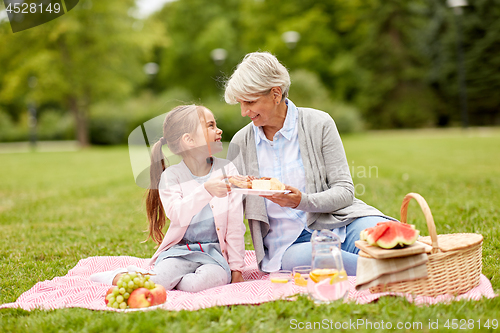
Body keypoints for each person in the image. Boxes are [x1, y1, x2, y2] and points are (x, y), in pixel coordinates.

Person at [225, 52, 397, 276]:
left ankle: (387, 263)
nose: (243, 112)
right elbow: (230, 211)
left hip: (341, 223)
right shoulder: (241, 142)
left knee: (385, 234)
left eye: (250, 102)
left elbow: (344, 192)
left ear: (276, 94)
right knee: (306, 258)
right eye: (240, 103)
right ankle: (388, 269)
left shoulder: (319, 123)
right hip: (290, 245)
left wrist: (301, 201)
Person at [91, 105, 246, 292]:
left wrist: (236, 269)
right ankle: (120, 276)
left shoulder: (227, 170)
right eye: (210, 125)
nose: (219, 130)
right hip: (179, 253)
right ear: (189, 140)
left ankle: (172, 280)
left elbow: (236, 223)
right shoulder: (172, 176)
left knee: (200, 284)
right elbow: (178, 214)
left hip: (214, 255)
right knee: (152, 284)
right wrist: (206, 189)